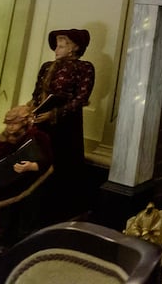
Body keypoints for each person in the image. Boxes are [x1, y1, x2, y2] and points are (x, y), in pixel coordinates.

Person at [30, 27, 95, 217]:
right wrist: (36, 111)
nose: (56, 50)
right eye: (56, 46)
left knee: (64, 162)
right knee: (40, 158)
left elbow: (81, 98)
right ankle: (37, 206)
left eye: (60, 46)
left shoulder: (85, 67)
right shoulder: (46, 66)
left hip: (67, 125)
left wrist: (55, 114)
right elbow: (36, 93)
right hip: (42, 121)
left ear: (74, 47)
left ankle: (63, 210)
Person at [0, 104, 53, 247]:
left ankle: (24, 231)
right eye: (8, 124)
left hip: (28, 181)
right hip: (4, 183)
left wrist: (31, 166)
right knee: (5, 207)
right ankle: (2, 227)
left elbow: (48, 160)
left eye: (14, 124)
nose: (10, 128)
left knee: (27, 204)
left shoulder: (38, 137)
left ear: (24, 122)